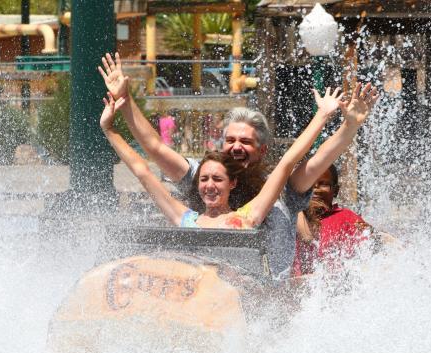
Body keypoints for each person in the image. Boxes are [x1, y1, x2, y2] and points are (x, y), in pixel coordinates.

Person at [98, 52, 379, 278]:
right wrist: (124, 103)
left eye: (245, 142)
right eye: (230, 140)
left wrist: (347, 125)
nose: (236, 147)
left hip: (268, 296)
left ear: (261, 150)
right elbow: (151, 155)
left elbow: (296, 163)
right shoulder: (203, 178)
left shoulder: (269, 196)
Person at [99, 87, 345, 230]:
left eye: (217, 179)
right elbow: (143, 171)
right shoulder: (187, 218)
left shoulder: (249, 215)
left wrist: (323, 116)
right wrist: (110, 129)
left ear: (232, 183)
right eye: (204, 179)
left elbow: (289, 161)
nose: (208, 185)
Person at [291, 165, 395, 277]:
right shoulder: (291, 216)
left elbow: (379, 240)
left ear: (335, 191)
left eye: (324, 184)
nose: (315, 189)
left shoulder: (346, 218)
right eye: (309, 183)